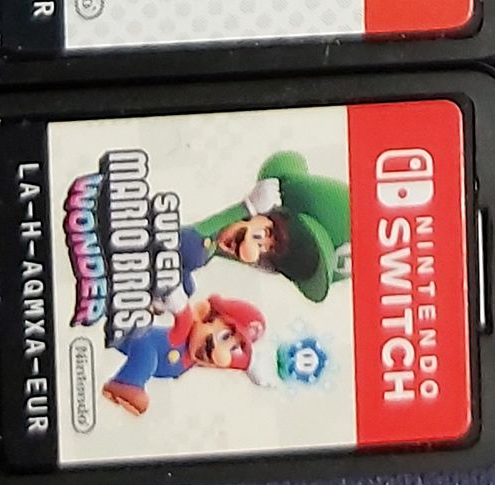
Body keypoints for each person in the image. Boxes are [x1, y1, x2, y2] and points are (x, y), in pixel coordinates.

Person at [180, 149, 353, 303]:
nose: (254, 250)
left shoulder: (206, 253)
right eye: (266, 233)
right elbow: (189, 244)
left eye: (268, 254)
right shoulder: (199, 246)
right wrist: (245, 208)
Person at [101, 293, 266, 415]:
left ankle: (123, 389)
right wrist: (172, 293)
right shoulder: (183, 333)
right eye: (225, 336)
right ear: (202, 314)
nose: (219, 354)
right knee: (149, 357)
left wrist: (251, 367)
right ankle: (127, 384)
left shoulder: (199, 357)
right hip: (139, 340)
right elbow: (181, 308)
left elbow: (239, 363)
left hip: (124, 338)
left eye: (233, 348)